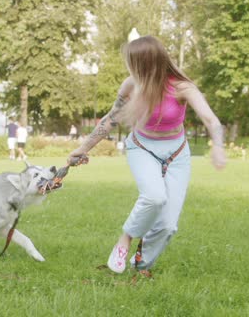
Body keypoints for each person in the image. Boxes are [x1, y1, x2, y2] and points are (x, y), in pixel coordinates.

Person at [68, 35, 226, 275]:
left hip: (177, 154)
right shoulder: (131, 86)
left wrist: (218, 146)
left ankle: (139, 265)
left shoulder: (181, 86)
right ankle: (125, 240)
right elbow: (111, 119)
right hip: (143, 148)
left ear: (145, 63)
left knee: (168, 225)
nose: (130, 68)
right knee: (153, 197)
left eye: (132, 63)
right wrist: (82, 148)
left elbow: (210, 119)